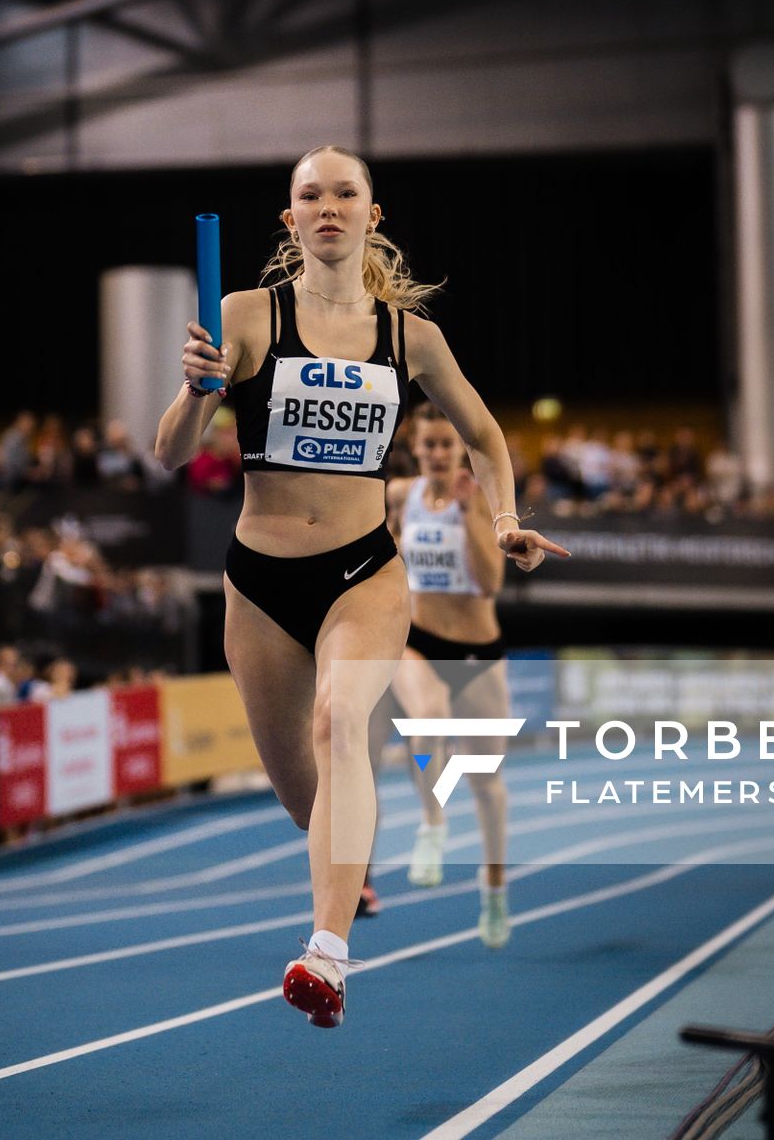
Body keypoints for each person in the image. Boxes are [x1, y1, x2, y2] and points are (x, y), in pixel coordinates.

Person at [153, 144, 565, 1028]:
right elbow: (172, 454)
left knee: (342, 720)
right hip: (259, 583)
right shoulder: (245, 315)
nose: (329, 206)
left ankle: (327, 956)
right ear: (289, 217)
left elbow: (488, 437)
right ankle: (353, 871)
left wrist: (502, 519)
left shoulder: (409, 336)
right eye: (312, 195)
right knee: (309, 802)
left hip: (363, 572)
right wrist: (197, 393)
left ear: (372, 216)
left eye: (347, 194)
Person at [387, 403, 513, 947]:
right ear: (414, 448)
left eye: (447, 445)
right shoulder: (399, 496)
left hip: (479, 652)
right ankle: (433, 824)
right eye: (429, 445)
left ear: (461, 449)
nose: (438, 455)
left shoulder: (480, 499)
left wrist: (465, 514)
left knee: (487, 784)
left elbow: (489, 585)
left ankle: (494, 890)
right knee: (427, 722)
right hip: (420, 642)